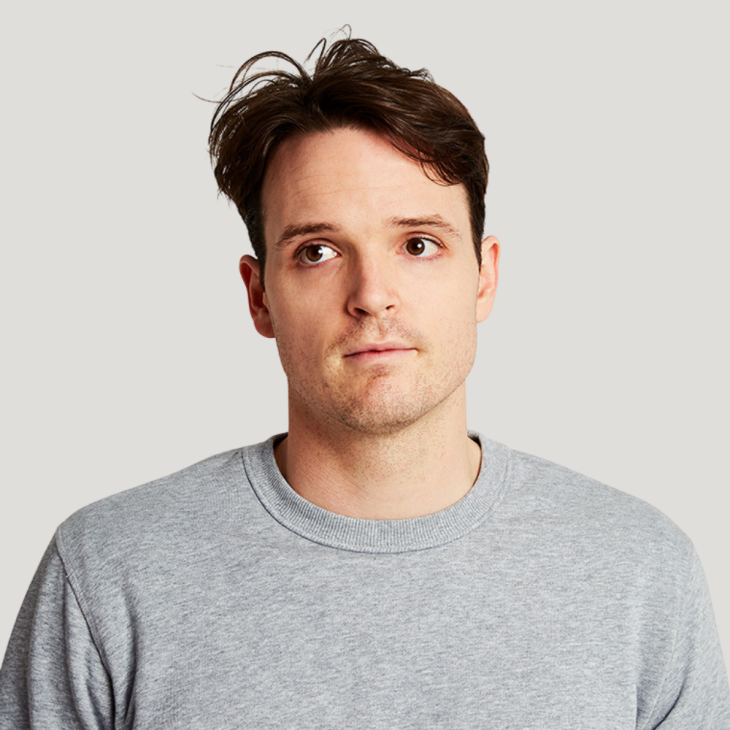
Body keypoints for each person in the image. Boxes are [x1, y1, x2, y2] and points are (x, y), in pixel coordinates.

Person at [1, 34, 728, 729]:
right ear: (259, 296)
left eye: (418, 244)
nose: (372, 294)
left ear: (484, 276)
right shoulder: (107, 574)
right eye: (317, 251)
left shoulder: (640, 575)